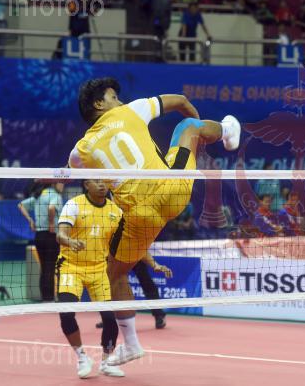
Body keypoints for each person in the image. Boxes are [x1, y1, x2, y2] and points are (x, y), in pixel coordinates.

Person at [68, 77, 241, 366]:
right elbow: (182, 102)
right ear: (99, 104)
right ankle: (228, 130)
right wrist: (201, 135)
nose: (120, 101)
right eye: (113, 98)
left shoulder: (80, 150)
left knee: (113, 276)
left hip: (140, 217)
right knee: (187, 127)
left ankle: (131, 345)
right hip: (172, 192)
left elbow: (71, 168)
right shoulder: (132, 110)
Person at [55, 179, 124, 378]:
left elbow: (120, 244)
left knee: (110, 320)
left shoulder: (116, 211)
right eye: (96, 181)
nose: (102, 185)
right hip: (71, 267)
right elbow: (60, 235)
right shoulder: (74, 204)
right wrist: (70, 241)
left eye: (104, 181)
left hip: (99, 270)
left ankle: (106, 362)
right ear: (86, 184)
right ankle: (82, 357)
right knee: (66, 314)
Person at [97, 252, 173, 330]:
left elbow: (142, 251)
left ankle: (159, 315)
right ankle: (108, 317)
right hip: (116, 256)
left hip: (135, 254)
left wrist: (155, 265)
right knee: (109, 283)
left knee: (146, 281)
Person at [18, 180, 64, 302]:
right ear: (53, 183)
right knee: (51, 267)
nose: (62, 185)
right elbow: (51, 208)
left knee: (44, 267)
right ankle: (50, 299)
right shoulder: (55, 195)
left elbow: (21, 205)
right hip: (51, 235)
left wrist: (30, 221)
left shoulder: (39, 195)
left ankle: (46, 298)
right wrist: (51, 224)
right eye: (61, 183)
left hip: (39, 236)